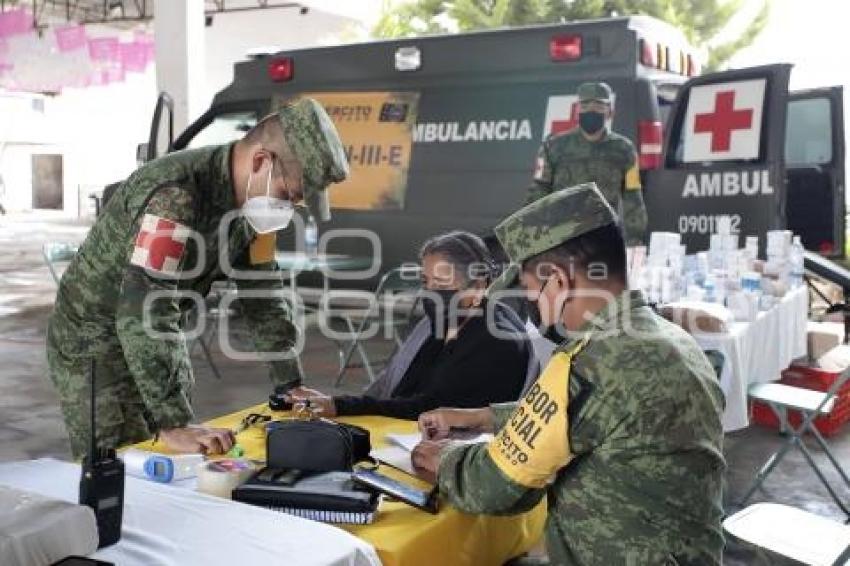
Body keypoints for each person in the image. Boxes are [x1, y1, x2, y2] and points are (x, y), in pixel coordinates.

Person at [412, 183, 726, 565]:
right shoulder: (664, 337)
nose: (529, 302)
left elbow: (497, 487)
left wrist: (444, 460)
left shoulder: (594, 360)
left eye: (529, 289)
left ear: (558, 281)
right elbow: (585, 415)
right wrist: (484, 417)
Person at [46, 98, 349, 458]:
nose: (287, 208)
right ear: (260, 162)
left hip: (152, 334)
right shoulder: (175, 196)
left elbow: (263, 295)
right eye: (287, 195)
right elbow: (144, 307)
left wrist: (289, 384)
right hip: (94, 339)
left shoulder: (254, 208)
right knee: (119, 466)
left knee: (166, 460)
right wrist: (173, 422)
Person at [289, 231, 534, 420]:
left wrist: (340, 406)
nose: (430, 293)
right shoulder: (441, 323)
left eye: (441, 283)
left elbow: (430, 409)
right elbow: (394, 389)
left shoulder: (497, 342)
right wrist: (336, 404)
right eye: (425, 282)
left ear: (478, 286)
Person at [528, 82, 648, 246]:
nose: (591, 110)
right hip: (562, 239)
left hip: (604, 237)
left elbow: (633, 197)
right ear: (577, 110)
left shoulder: (624, 150)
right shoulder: (553, 147)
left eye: (599, 105)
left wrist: (634, 240)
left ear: (610, 112)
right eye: (585, 105)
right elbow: (538, 191)